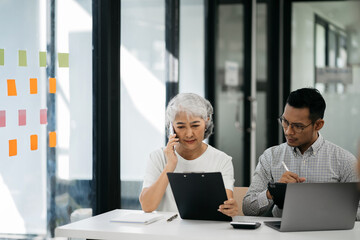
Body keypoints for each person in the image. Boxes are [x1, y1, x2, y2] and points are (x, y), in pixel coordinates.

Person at [242, 87, 360, 220]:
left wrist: (327, 210)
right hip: (280, 234)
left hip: (326, 233)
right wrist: (273, 192)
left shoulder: (344, 161)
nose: (288, 132)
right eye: (285, 122)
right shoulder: (270, 157)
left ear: (318, 125)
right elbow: (247, 208)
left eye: (298, 126)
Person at [139, 93, 238, 217]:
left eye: (195, 125)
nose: (189, 134)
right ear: (171, 128)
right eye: (180, 126)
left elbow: (222, 210)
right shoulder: (157, 157)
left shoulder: (222, 160)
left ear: (206, 122)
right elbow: (147, 206)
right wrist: (170, 166)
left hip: (204, 231)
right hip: (165, 233)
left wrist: (230, 208)